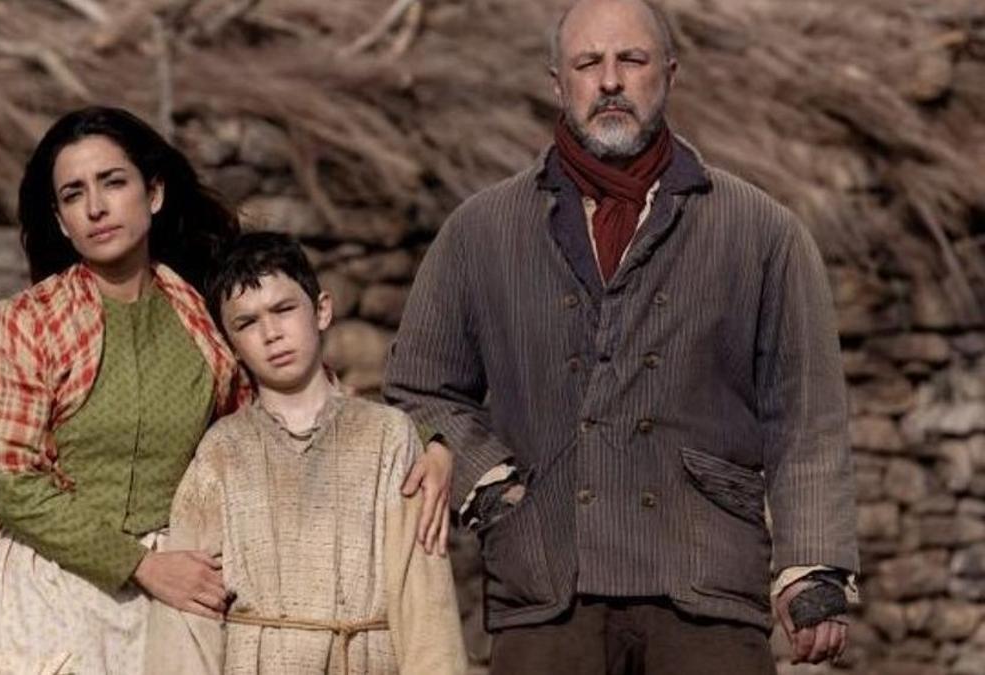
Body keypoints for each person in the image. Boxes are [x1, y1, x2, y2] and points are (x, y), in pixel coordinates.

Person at [382, 1, 859, 673]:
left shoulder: (761, 231)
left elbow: (807, 413)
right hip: (546, 590)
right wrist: (490, 485)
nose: (610, 81)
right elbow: (419, 387)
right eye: (588, 64)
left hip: (706, 589)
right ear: (558, 83)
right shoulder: (480, 231)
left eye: (631, 60)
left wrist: (812, 568)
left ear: (669, 73)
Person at [0, 106, 252, 673]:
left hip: (174, 601)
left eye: (113, 182)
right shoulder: (25, 321)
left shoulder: (208, 323)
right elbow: (10, 482)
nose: (95, 207)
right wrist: (140, 565)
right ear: (62, 221)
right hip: (42, 598)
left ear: (153, 194)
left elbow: (250, 440)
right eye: (73, 194)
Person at [144, 232, 467, 674]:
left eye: (283, 309)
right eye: (247, 323)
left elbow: (425, 603)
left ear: (321, 310)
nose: (271, 334)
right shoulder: (223, 452)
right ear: (231, 345)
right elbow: (189, 615)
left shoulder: (387, 437)